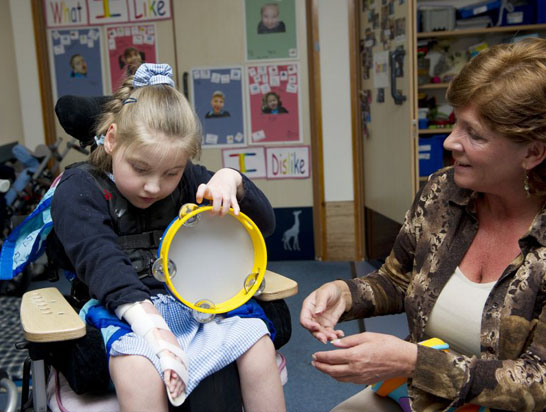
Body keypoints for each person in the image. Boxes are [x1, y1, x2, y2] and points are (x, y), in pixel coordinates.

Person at [300, 37, 546, 412]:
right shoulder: (444, 192)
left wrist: (411, 361)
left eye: (474, 134)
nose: (450, 141)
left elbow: (539, 382)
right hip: (424, 398)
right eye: (455, 123)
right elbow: (399, 281)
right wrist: (344, 294)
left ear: (532, 152)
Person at [49, 63, 285, 412]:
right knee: (139, 371)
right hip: (122, 312)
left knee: (259, 345)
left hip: (190, 307)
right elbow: (102, 261)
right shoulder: (79, 189)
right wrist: (152, 329)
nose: (154, 187)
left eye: (171, 173)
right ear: (112, 140)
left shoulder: (188, 179)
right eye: (140, 169)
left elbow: (263, 225)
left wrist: (230, 179)